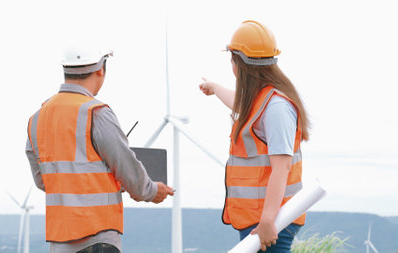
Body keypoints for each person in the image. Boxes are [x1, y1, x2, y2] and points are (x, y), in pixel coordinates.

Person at [25, 47, 174, 253]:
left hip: (59, 241)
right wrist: (150, 190)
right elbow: (124, 165)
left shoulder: (37, 118)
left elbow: (45, 180)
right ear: (100, 70)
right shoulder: (96, 112)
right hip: (97, 238)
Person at [199, 20, 310, 252]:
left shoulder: (276, 107)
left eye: (232, 59)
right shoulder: (262, 100)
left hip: (271, 221)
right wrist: (215, 88)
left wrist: (269, 221)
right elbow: (241, 104)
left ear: (239, 63)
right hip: (259, 219)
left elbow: (282, 167)